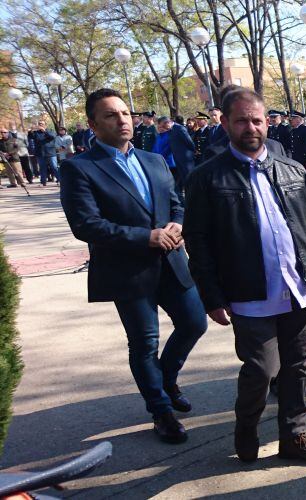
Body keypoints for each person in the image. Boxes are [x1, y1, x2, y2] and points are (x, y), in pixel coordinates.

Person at [183, 87, 306, 465]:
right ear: (224, 123)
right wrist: (212, 297)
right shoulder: (207, 177)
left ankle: (294, 437)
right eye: (241, 120)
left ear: (267, 121)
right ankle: (247, 427)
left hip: (300, 288)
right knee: (261, 369)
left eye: (257, 120)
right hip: (249, 294)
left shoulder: (292, 169)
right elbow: (198, 243)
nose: (251, 127)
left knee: (297, 366)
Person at [59, 88, 207, 444]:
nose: (122, 120)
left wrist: (177, 224)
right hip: (127, 270)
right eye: (111, 115)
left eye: (125, 113)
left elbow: (177, 203)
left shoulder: (153, 160)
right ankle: (161, 411)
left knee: (194, 322)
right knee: (144, 342)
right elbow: (86, 225)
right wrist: (146, 237)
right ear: (93, 125)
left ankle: (166, 379)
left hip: (172, 261)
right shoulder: (79, 168)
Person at [157, 115, 196, 203]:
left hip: (186, 159)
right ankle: (188, 198)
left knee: (190, 178)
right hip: (178, 159)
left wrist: (194, 151)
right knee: (184, 179)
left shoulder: (179, 128)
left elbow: (189, 142)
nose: (163, 128)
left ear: (168, 123)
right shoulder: (170, 131)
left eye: (164, 126)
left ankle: (195, 197)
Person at [0, 128, 31, 195]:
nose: (3, 134)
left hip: (14, 158)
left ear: (8, 132)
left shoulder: (13, 140)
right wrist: (3, 154)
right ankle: (13, 183)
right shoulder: (0, 141)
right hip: (5, 159)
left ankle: (22, 183)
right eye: (1, 132)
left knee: (18, 171)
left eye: (4, 132)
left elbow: (17, 148)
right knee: (9, 172)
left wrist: (9, 153)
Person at [29, 121, 58, 186]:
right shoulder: (36, 132)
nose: (40, 125)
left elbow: (52, 137)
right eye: (39, 124)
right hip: (40, 153)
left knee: (54, 167)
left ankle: (60, 180)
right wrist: (30, 130)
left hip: (50, 152)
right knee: (42, 168)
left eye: (42, 124)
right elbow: (30, 137)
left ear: (45, 125)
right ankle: (43, 182)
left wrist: (44, 131)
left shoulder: (50, 130)